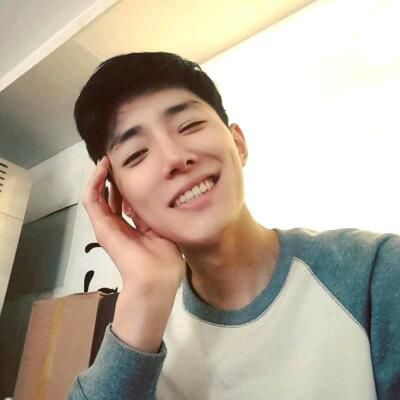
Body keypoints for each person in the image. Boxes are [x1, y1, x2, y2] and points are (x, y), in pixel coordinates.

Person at [68, 52, 399, 400]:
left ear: (238, 143)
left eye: (189, 126)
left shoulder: (375, 272)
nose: (175, 158)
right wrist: (145, 292)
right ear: (125, 203)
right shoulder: (142, 334)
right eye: (137, 154)